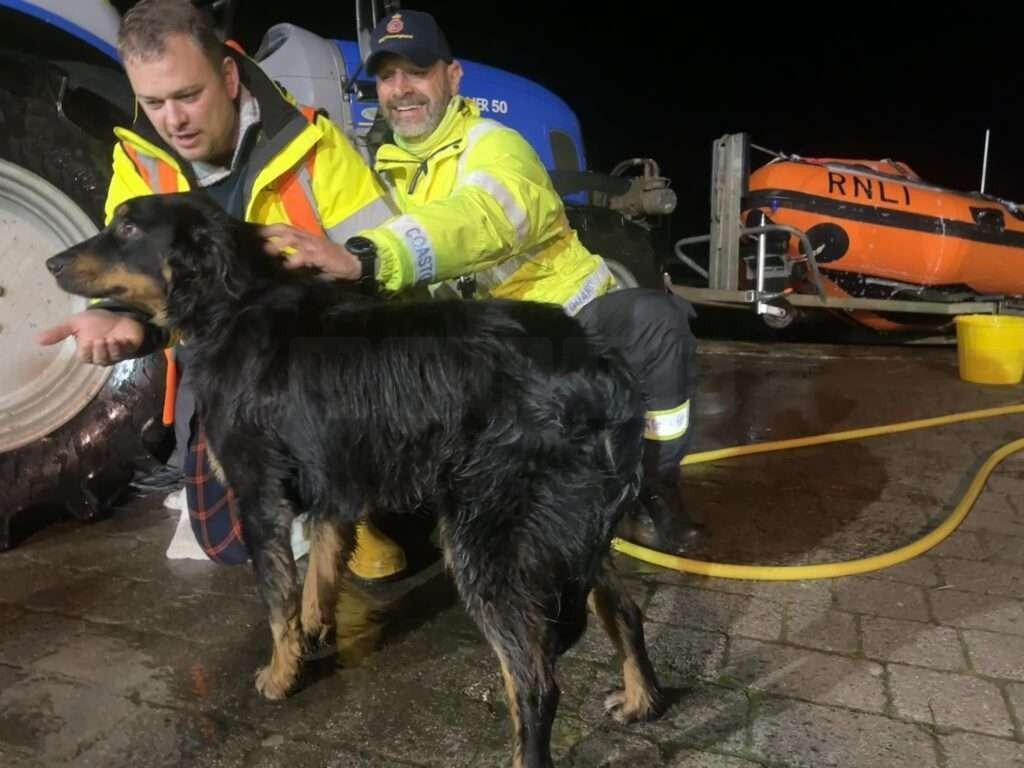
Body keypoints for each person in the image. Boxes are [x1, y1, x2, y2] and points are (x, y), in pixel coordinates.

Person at [285, 9, 707, 558]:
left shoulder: (495, 144)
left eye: (416, 71)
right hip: (488, 354)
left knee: (656, 321)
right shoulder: (372, 173)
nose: (400, 89)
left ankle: (651, 490)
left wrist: (371, 254)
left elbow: (484, 215)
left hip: (572, 323)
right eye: (387, 77)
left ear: (453, 77)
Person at [35, 0, 405, 578]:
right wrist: (123, 319)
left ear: (229, 77)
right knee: (230, 539)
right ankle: (307, 490)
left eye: (188, 96)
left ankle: (353, 506)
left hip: (317, 361)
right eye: (154, 103)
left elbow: (386, 278)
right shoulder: (138, 161)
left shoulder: (315, 147)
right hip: (227, 364)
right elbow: (138, 285)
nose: (172, 120)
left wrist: (352, 266)